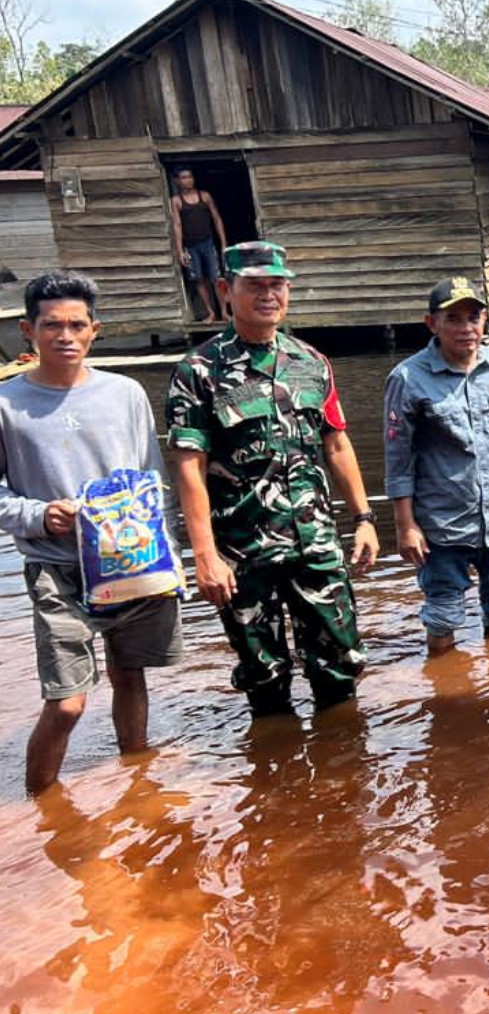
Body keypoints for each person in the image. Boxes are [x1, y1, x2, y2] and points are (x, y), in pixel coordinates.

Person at [166, 241, 379, 717]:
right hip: (243, 552)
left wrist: (364, 518)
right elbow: (188, 466)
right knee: (263, 677)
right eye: (254, 285)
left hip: (315, 543)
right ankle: (274, 781)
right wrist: (204, 555)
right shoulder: (199, 371)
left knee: (341, 665)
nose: (268, 295)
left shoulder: (311, 361)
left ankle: (343, 779)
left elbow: (337, 444)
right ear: (225, 289)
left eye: (277, 285)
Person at [0, 272, 183, 794]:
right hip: (56, 568)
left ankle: (138, 786)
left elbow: (153, 479)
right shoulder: (8, 405)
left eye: (77, 325)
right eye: (52, 325)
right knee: (66, 703)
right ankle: (35, 808)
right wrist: (38, 515)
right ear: (27, 330)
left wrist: (169, 559)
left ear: (95, 330)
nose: (65, 336)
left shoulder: (124, 394)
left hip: (131, 562)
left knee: (131, 675)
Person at [384, 276, 489, 655]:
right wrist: (405, 525)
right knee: (443, 615)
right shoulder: (408, 379)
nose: (466, 328)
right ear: (432, 324)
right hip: (442, 526)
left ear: (485, 320)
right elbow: (398, 460)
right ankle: (446, 698)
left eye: (473, 317)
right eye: (453, 318)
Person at [169, 167, 229, 324]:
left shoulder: (205, 196)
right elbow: (177, 225)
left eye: (189, 177)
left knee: (216, 278)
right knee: (199, 279)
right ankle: (210, 312)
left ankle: (224, 312)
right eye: (183, 178)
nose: (187, 180)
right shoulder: (176, 201)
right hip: (190, 246)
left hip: (207, 243)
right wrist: (180, 250)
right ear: (177, 181)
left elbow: (217, 219)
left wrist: (223, 243)